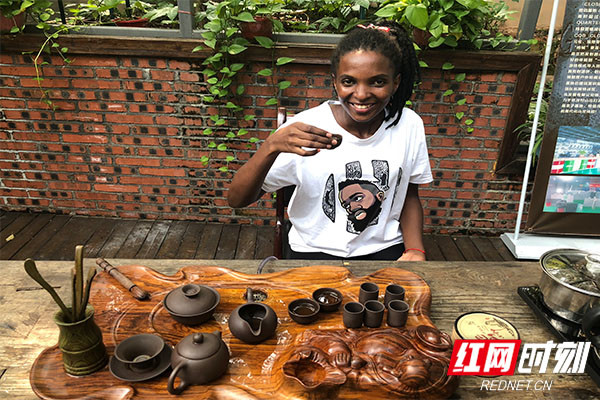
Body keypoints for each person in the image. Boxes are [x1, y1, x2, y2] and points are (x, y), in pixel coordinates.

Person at [228, 20, 432, 261]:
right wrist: (270, 147)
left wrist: (415, 249)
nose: (361, 94)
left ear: (395, 83)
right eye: (349, 81)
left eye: (377, 82)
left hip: (384, 250)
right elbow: (237, 199)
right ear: (335, 81)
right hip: (313, 251)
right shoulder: (306, 128)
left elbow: (408, 195)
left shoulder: (408, 125)